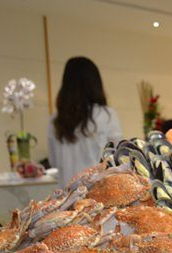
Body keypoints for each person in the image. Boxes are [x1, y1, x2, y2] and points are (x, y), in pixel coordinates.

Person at [48, 56, 122, 188]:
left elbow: (53, 162)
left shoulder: (55, 120)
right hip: (99, 193)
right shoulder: (106, 115)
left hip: (67, 195)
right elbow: (119, 158)